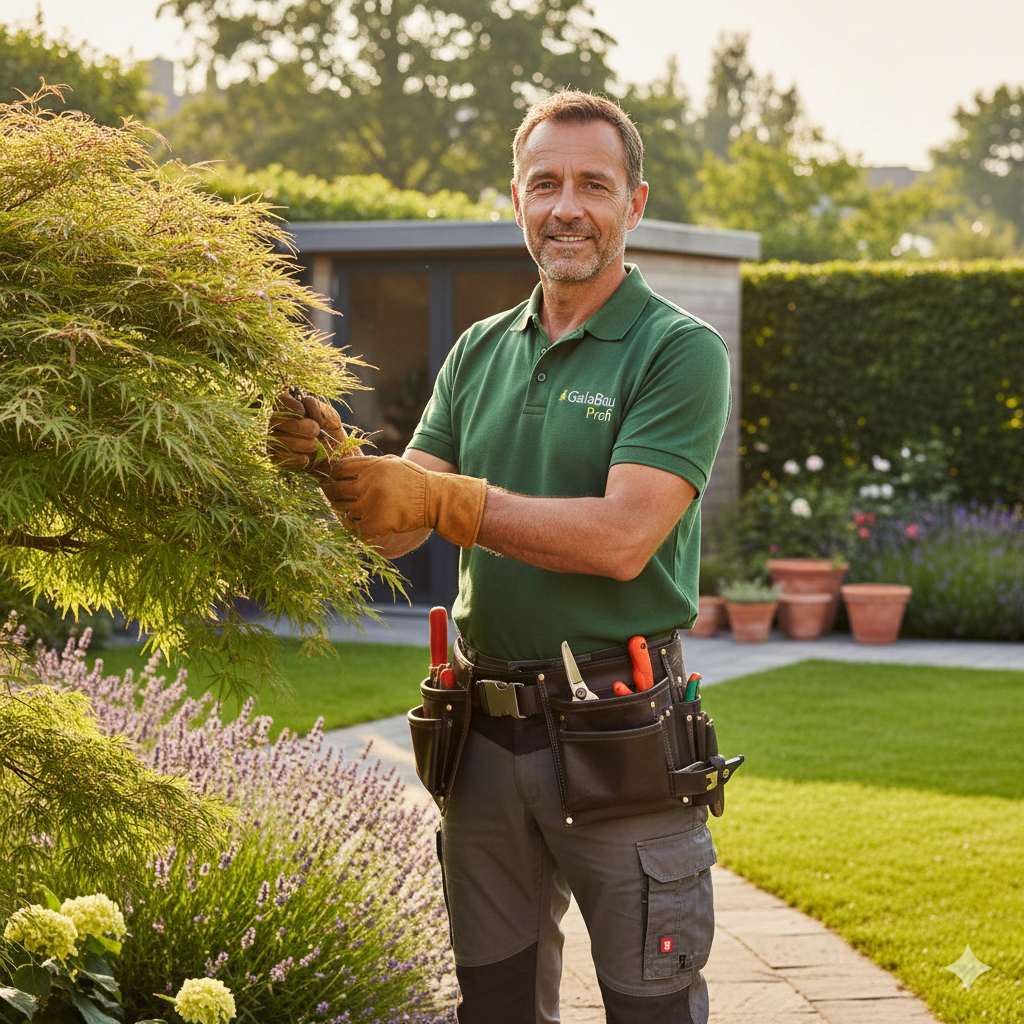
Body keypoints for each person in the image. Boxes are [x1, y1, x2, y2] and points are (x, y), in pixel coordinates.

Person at [271, 89, 733, 1024]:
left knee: (652, 1004)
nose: (568, 206)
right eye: (545, 183)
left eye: (593, 185)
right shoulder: (478, 351)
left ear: (634, 204)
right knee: (495, 1006)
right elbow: (404, 523)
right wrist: (337, 469)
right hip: (482, 740)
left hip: (621, 735)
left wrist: (449, 499)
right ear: (516, 200)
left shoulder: (677, 352)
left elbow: (620, 539)